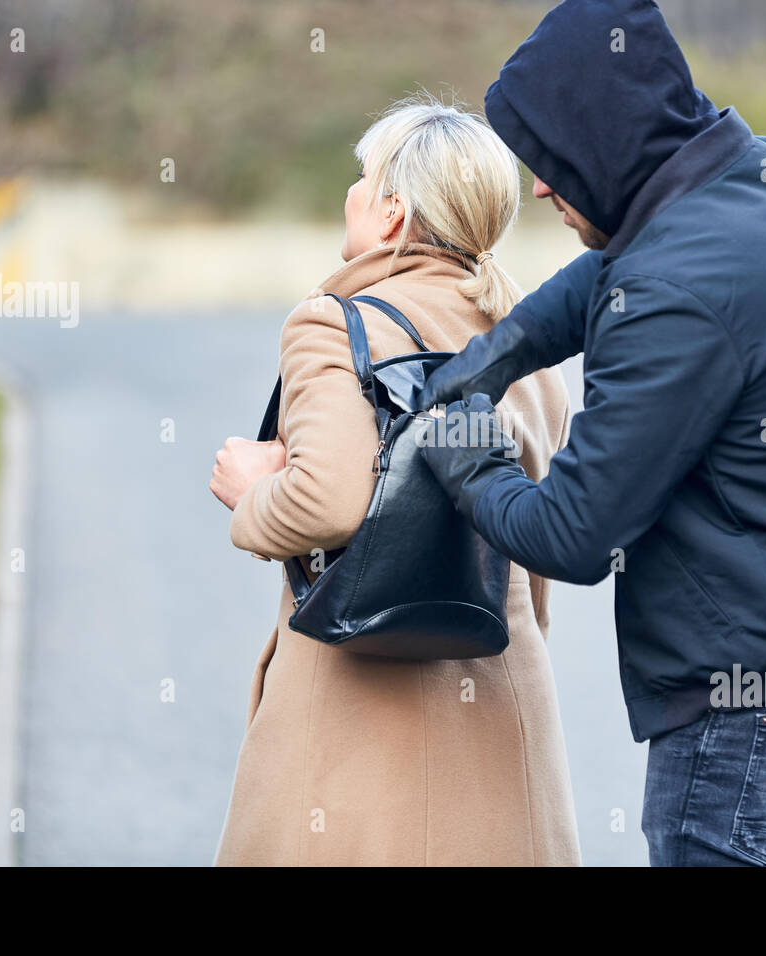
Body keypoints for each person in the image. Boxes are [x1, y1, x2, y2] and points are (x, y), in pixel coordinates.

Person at [416, 0, 766, 866]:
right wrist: (500, 352)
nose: (541, 187)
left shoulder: (670, 293)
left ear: (601, 144)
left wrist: (465, 449)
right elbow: (615, 271)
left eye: (551, 162)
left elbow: (574, 533)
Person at [208, 96, 581, 866]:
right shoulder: (524, 340)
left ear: (390, 215)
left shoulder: (335, 325)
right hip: (503, 701)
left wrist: (252, 492)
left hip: (357, 717)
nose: (351, 190)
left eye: (362, 176)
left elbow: (328, 496)